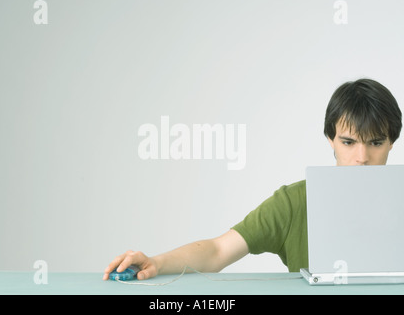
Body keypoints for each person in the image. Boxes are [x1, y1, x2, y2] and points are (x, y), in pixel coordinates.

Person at [102, 78, 402, 281]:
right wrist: (157, 262)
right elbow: (219, 250)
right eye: (349, 142)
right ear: (330, 140)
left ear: (392, 142)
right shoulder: (294, 203)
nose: (362, 158)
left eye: (375, 143)